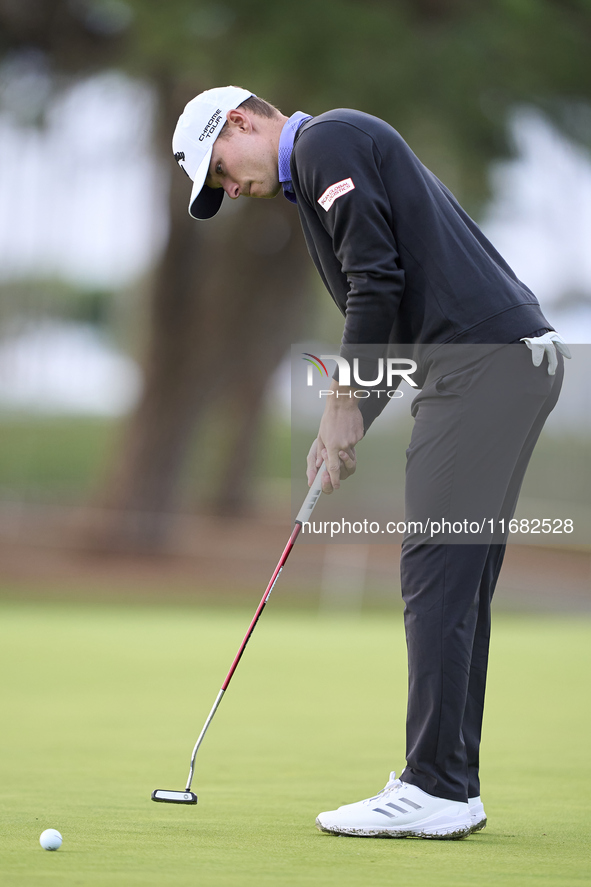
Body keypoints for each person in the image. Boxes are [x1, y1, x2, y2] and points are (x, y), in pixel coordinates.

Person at [172, 86, 570, 839]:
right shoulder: (320, 172)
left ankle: (434, 785)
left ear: (241, 122)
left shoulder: (327, 141)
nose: (230, 189)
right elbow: (386, 317)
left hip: (482, 368)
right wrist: (343, 427)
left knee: (433, 571)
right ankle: (449, 782)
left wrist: (339, 402)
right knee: (455, 579)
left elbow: (373, 282)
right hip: (499, 366)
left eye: (221, 170)